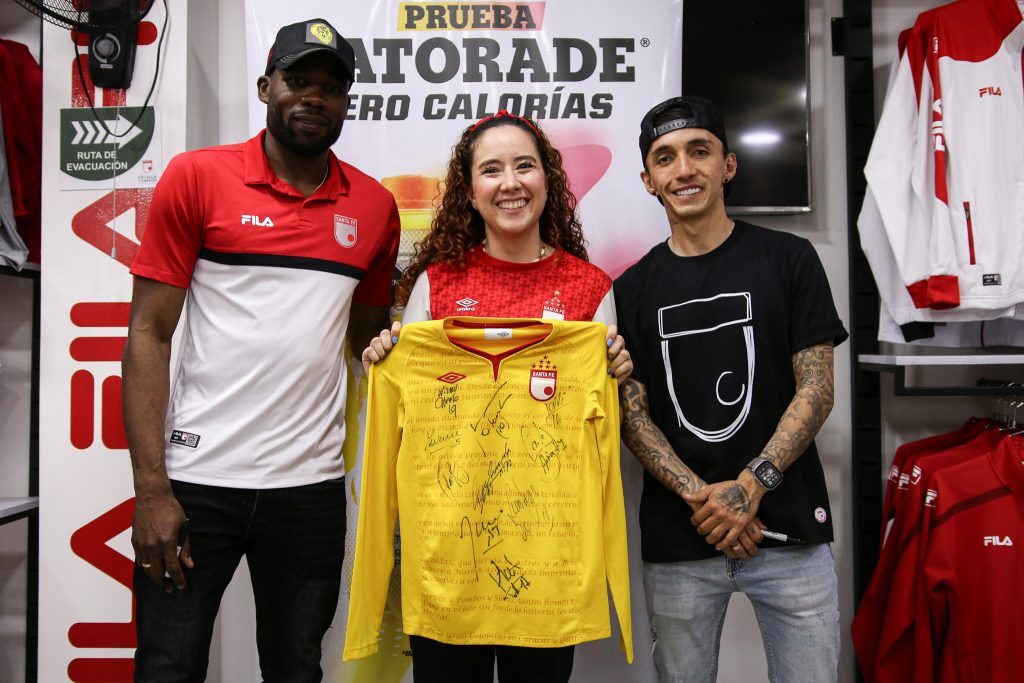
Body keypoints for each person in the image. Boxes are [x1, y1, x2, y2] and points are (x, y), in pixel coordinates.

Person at [121, 18, 400, 682]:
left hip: (309, 488)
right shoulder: (197, 177)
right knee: (167, 667)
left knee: (296, 668)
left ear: (346, 102)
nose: (314, 97)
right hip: (196, 483)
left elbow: (368, 340)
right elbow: (147, 333)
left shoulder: (373, 206)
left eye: (331, 86)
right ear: (265, 86)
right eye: (298, 80)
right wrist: (151, 490)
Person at [353, 110, 632, 682]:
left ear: (548, 180)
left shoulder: (589, 288)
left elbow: (604, 422)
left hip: (549, 568)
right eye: (491, 170)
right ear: (469, 191)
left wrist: (616, 373)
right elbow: (408, 404)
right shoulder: (436, 283)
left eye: (524, 166)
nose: (510, 183)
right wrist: (388, 357)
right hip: (448, 564)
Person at [613, 95, 848, 682]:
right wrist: (708, 501)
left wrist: (749, 487)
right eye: (665, 158)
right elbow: (632, 415)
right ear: (648, 181)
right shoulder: (630, 289)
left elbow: (817, 390)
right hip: (681, 539)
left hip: (790, 531)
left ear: (728, 165)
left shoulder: (790, 259)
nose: (683, 169)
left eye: (699, 151)